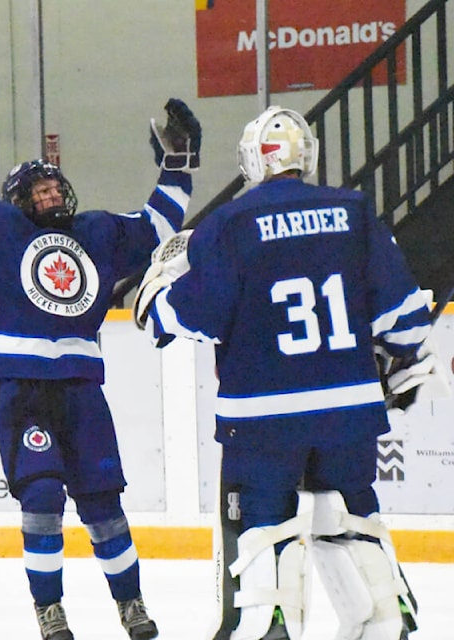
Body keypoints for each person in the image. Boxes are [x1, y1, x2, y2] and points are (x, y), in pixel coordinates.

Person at [0, 94, 201, 640]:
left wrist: (179, 164)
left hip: (81, 391)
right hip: (23, 392)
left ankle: (131, 604)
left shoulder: (95, 234)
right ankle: (51, 611)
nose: (49, 194)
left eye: (53, 187)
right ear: (20, 200)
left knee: (103, 505)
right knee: (42, 499)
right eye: (37, 190)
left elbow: (157, 226)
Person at [133, 106, 449, 640]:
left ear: (252, 159)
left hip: (262, 418)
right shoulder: (353, 211)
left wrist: (156, 294)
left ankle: (266, 623)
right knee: (346, 514)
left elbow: (190, 316)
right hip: (349, 413)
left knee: (263, 528)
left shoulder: (230, 223)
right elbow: (407, 323)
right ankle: (384, 619)